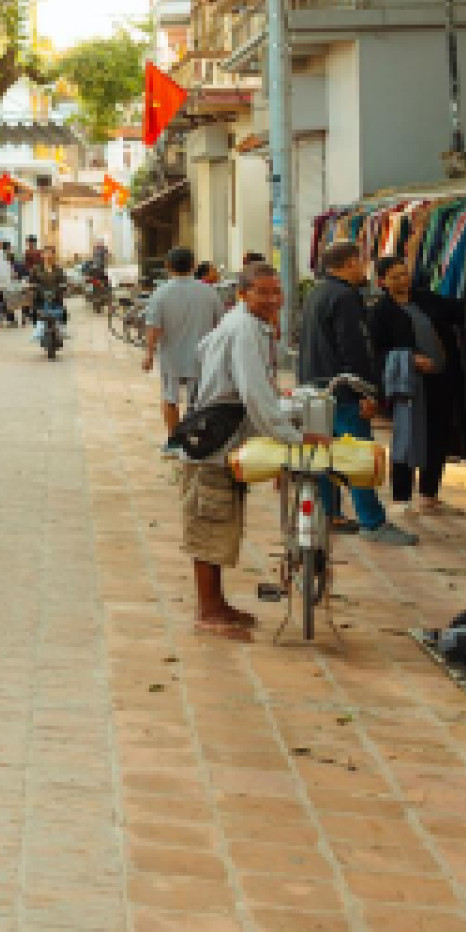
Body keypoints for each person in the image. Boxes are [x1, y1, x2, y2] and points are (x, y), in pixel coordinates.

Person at [182, 260, 305, 639]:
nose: (272, 299)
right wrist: (290, 440)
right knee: (210, 523)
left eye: (276, 291)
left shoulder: (249, 327)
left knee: (221, 523)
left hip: (226, 440)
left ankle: (217, 604)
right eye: (262, 292)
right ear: (243, 294)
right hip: (214, 442)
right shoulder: (244, 330)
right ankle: (208, 611)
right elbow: (253, 393)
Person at [300, 239, 417, 546]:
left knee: (325, 455)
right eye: (362, 262)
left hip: (316, 389)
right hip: (343, 391)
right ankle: (372, 521)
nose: (365, 268)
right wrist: (365, 392)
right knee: (357, 457)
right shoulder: (345, 298)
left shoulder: (317, 294)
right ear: (350, 263)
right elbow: (354, 348)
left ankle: (330, 513)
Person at [367, 255, 460, 515]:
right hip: (408, 384)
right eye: (395, 276)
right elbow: (377, 351)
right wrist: (410, 359)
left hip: (439, 381)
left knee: (438, 435)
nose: (402, 280)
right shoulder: (380, 312)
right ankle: (401, 495)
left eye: (405, 274)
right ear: (383, 281)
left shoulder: (425, 299)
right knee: (407, 436)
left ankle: (429, 493)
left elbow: (457, 311)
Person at [143, 246, 222, 433]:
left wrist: (149, 354)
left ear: (167, 266)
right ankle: (193, 440)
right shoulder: (209, 293)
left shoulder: (160, 294)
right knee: (197, 401)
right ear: (194, 266)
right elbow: (220, 324)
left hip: (171, 357)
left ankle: (174, 440)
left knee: (170, 399)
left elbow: (153, 327)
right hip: (202, 357)